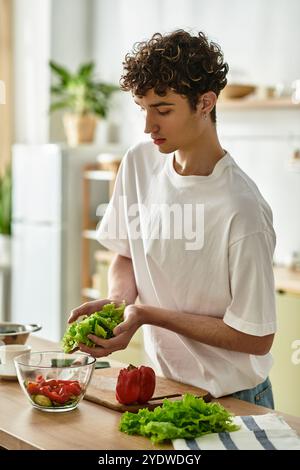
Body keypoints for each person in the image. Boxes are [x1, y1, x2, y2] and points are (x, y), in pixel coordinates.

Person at [69, 30, 276, 408]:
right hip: (165, 390)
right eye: (143, 108)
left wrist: (148, 314)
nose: (149, 126)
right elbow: (127, 253)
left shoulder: (241, 208)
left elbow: (256, 337)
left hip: (235, 399)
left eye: (163, 110)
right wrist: (119, 303)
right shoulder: (139, 163)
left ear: (205, 103)